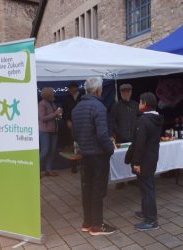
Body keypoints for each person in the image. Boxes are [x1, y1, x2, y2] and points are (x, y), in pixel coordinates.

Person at [71, 77, 116, 236]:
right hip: (98, 155)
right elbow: (102, 134)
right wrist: (110, 149)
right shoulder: (99, 107)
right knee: (98, 189)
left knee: (87, 188)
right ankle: (97, 226)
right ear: (98, 90)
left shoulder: (77, 109)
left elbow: (75, 134)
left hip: (85, 154)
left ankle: (87, 222)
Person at [129, 92, 163, 231]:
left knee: (147, 188)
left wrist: (136, 162)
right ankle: (146, 212)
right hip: (151, 157)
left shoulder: (144, 120)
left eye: (140, 102)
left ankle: (151, 220)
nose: (139, 104)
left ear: (145, 104)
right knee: (147, 186)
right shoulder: (156, 118)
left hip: (144, 159)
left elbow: (139, 144)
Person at [109, 83, 139, 189]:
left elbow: (140, 119)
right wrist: (119, 131)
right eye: (123, 92)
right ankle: (120, 181)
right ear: (121, 93)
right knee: (121, 159)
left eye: (128, 91)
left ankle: (132, 178)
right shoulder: (116, 106)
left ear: (131, 92)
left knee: (134, 158)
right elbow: (112, 122)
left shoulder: (136, 105)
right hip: (121, 138)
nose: (126, 93)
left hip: (134, 137)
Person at [38, 87, 62, 177]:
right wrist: (55, 114)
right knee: (45, 151)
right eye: (52, 93)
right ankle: (35, 170)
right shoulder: (42, 104)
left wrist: (58, 114)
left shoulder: (52, 103)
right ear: (48, 94)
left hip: (54, 130)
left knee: (52, 151)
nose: (54, 94)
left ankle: (48, 170)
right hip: (45, 131)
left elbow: (54, 115)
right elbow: (42, 118)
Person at [62, 82, 82, 173]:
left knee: (82, 144)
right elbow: (64, 112)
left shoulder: (82, 97)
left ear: (75, 88)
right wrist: (67, 121)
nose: (69, 90)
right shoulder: (67, 98)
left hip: (82, 124)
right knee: (73, 145)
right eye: (69, 89)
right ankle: (73, 166)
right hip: (71, 125)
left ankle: (83, 164)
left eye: (71, 88)